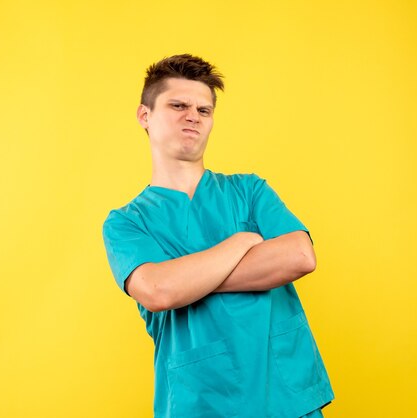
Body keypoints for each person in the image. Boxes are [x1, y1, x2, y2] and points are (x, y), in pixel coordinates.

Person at [102, 54, 334, 418]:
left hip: (284, 396)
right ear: (144, 116)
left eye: (203, 110)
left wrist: (185, 280)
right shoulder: (127, 223)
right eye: (178, 105)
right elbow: (158, 291)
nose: (192, 115)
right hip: (199, 399)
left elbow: (300, 257)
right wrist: (241, 242)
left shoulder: (249, 190)